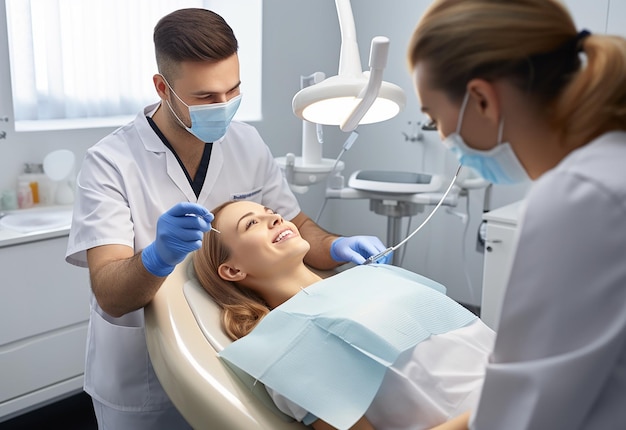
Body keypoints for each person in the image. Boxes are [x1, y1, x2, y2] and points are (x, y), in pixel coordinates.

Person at [65, 8, 388, 429]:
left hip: (241, 367)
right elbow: (109, 292)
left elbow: (299, 224)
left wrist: (338, 246)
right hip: (142, 382)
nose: (223, 106)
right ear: (163, 88)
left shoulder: (246, 142)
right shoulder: (110, 162)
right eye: (205, 97)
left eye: (232, 92)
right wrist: (157, 257)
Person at [406, 0, 626, 428]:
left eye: (434, 118)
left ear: (482, 99)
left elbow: (523, 415)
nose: (445, 136)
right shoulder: (606, 167)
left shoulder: (581, 197)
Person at [193, 200, 496, 430]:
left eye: (270, 210)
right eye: (251, 224)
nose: (274, 217)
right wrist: (500, 410)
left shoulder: (374, 275)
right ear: (233, 270)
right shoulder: (280, 349)